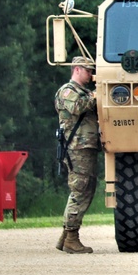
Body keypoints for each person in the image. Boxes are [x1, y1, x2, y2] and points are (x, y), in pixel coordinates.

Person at [54, 56, 100, 253]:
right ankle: (71, 238)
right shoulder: (68, 91)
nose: (91, 74)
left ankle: (65, 237)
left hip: (85, 147)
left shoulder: (84, 92)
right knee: (80, 190)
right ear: (77, 69)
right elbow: (77, 107)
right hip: (77, 148)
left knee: (87, 189)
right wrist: (97, 95)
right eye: (88, 70)